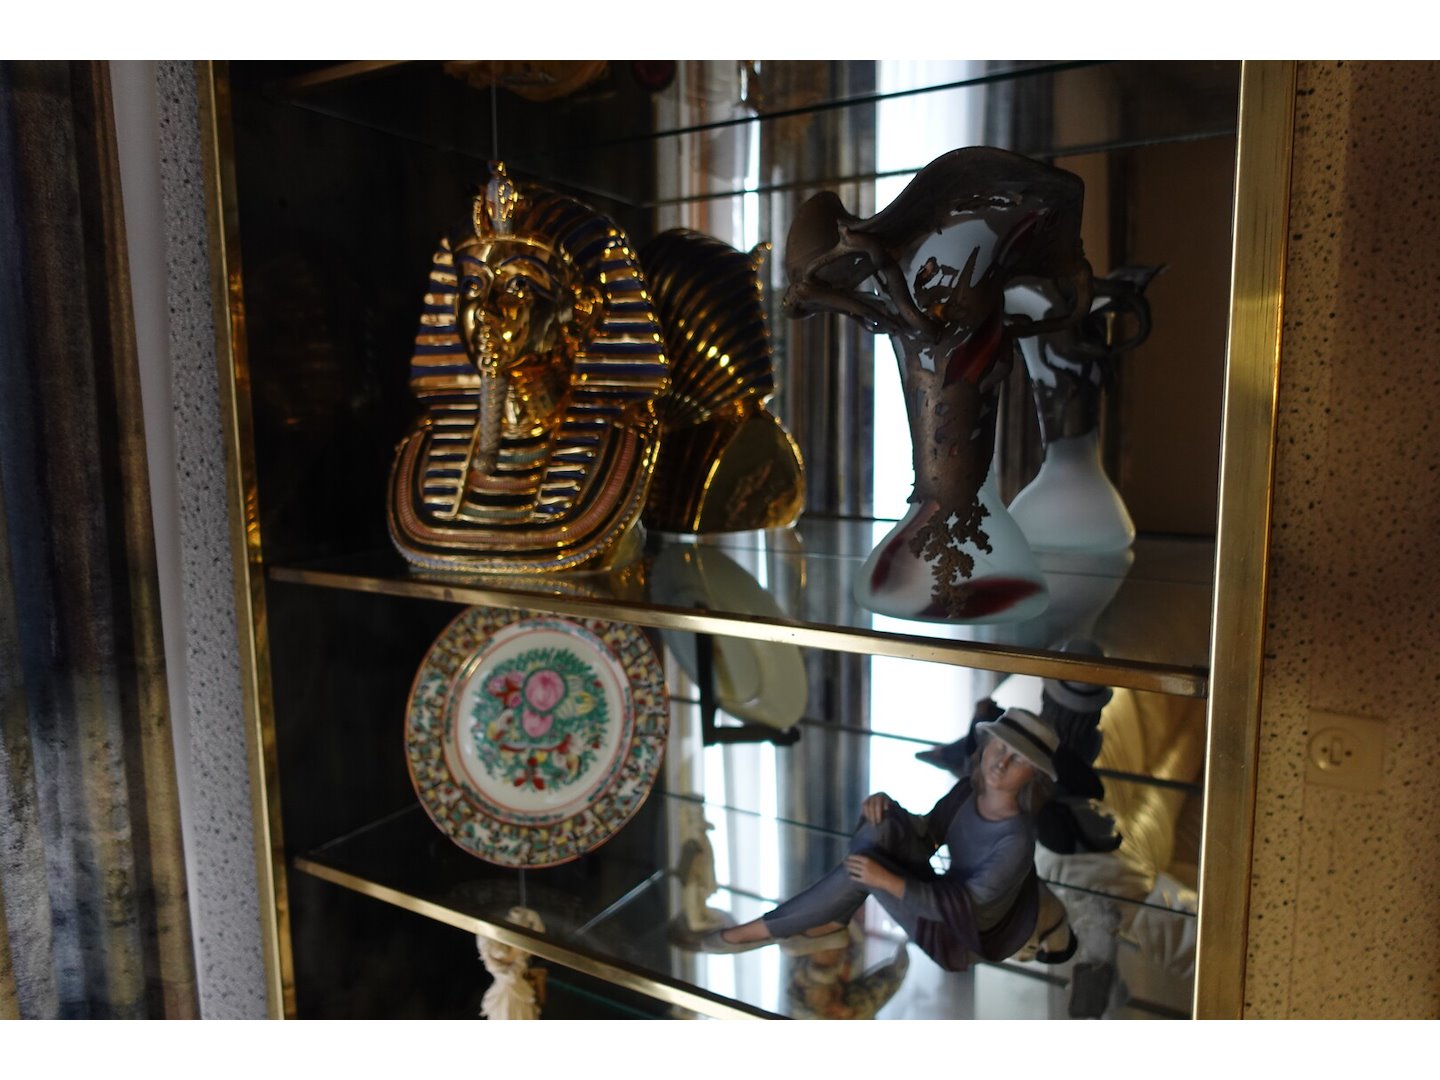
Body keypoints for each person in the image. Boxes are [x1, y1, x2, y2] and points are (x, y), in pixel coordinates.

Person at [702, 707, 1059, 972]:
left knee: (865, 869)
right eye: (999, 748)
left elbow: (959, 907)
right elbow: (930, 835)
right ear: (986, 746)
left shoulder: (1016, 841)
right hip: (934, 891)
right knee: (880, 826)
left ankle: (761, 932)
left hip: (953, 932)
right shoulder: (968, 790)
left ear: (1033, 775)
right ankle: (827, 922)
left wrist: (885, 880)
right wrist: (888, 807)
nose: (1001, 763)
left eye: (1018, 759)